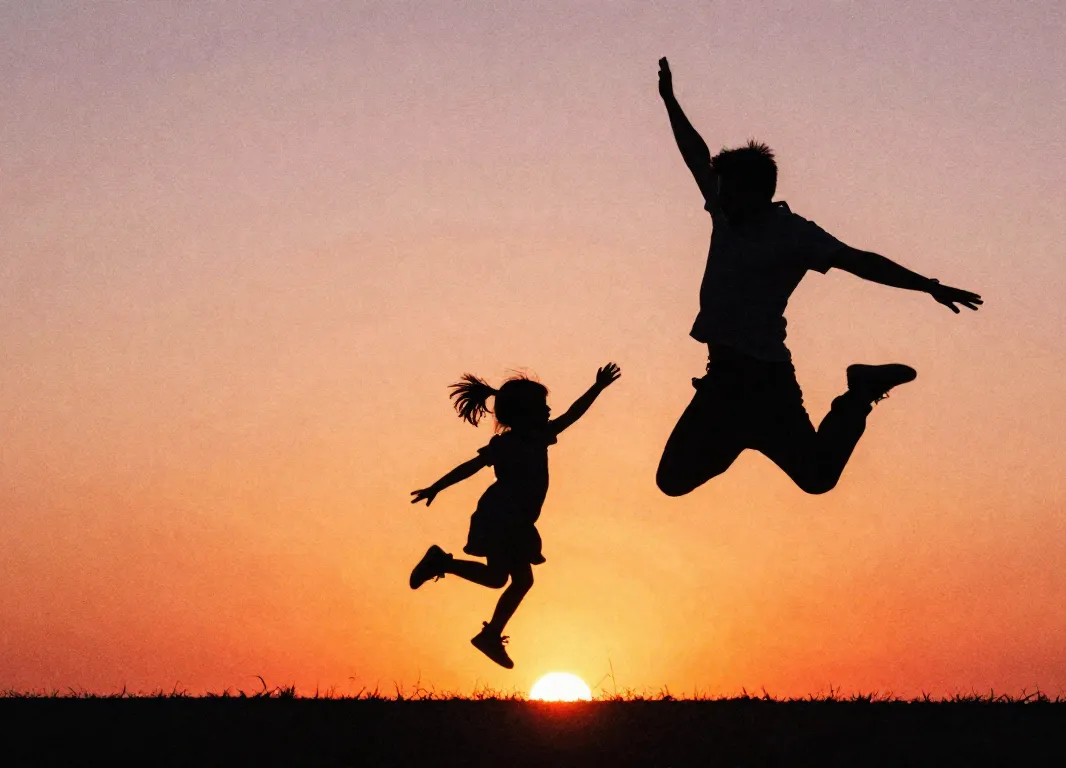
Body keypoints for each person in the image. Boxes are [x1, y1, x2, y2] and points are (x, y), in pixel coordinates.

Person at [653, 57, 982, 498]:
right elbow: (696, 156)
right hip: (723, 379)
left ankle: (859, 393)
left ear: (754, 192)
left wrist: (928, 285)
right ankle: (739, 433)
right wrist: (670, 101)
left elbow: (859, 260)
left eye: (727, 190)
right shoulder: (726, 215)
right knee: (672, 481)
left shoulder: (793, 233)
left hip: (766, 381)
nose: (717, 198)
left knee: (817, 477)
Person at [408, 363, 621, 668]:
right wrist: (436, 487)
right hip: (501, 517)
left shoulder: (539, 435)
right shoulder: (509, 444)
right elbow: (469, 467)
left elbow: (572, 414)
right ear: (524, 413)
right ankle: (453, 581)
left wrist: (597, 388)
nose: (548, 410)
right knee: (512, 580)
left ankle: (484, 626)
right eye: (542, 406)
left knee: (508, 580)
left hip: (515, 520)